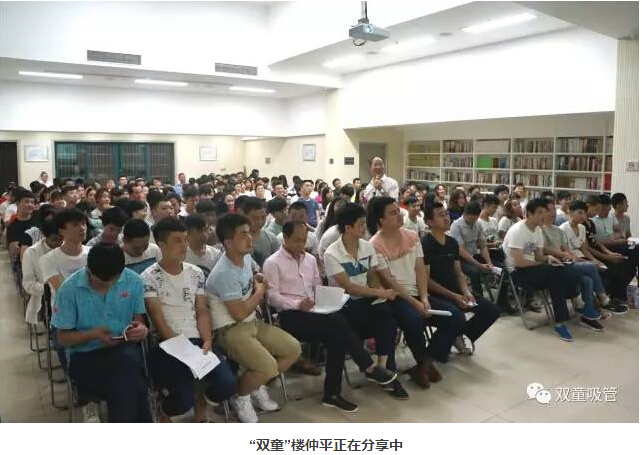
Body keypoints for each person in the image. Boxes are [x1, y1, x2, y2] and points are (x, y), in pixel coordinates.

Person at [263, 221, 397, 412]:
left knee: (338, 332)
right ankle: (367, 366)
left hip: (316, 311)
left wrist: (328, 299)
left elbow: (317, 286)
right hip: (290, 315)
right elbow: (272, 297)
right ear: (285, 238)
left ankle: (332, 394)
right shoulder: (273, 263)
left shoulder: (310, 259)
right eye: (297, 240)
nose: (301, 245)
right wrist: (297, 304)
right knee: (337, 324)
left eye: (304, 240)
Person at [206, 213, 301, 423]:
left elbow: (252, 277)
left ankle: (254, 386)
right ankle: (240, 397)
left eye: (249, 233)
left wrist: (257, 278)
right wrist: (259, 292)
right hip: (230, 329)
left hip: (252, 322)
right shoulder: (223, 273)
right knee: (267, 366)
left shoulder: (246, 257)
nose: (250, 238)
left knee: (293, 349)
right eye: (243, 235)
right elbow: (239, 313)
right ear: (228, 242)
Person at [142, 218, 237, 423]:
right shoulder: (149, 277)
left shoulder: (195, 273)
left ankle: (203, 403)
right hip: (168, 344)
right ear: (161, 245)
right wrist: (182, 349)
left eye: (185, 239)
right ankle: (165, 409)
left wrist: (207, 340)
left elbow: (201, 310)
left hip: (198, 340)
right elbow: (158, 317)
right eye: (177, 241)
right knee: (183, 400)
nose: (184, 245)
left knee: (227, 385)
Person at [51, 243, 152, 422]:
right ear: (88, 269)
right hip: (86, 355)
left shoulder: (134, 281)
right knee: (132, 383)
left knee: (127, 369)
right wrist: (92, 334)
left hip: (123, 348)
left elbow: (139, 322)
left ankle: (98, 406)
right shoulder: (69, 290)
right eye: (100, 282)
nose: (107, 286)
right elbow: (62, 338)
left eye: (113, 281)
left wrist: (142, 331)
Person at [323, 203, 404, 398]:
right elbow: (348, 287)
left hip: (366, 298)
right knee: (380, 315)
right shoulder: (332, 253)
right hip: (345, 303)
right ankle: (381, 372)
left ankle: (383, 368)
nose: (365, 228)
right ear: (348, 227)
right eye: (360, 224)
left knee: (387, 315)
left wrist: (379, 292)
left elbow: (372, 276)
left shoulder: (367, 247)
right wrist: (380, 293)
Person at [367, 197, 442, 389]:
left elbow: (420, 269)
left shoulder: (412, 235)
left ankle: (427, 361)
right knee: (414, 319)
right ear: (381, 220)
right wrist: (416, 303)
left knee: (454, 317)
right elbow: (389, 282)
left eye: (398, 211)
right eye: (393, 213)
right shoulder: (375, 244)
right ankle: (423, 362)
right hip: (396, 295)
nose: (400, 215)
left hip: (418, 292)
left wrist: (424, 297)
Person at [422, 202, 501, 359]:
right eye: (441, 215)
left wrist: (466, 291)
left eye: (446, 214)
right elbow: (427, 281)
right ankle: (432, 355)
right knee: (456, 314)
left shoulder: (452, 242)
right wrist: (454, 296)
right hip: (436, 294)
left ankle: (459, 334)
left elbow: (458, 272)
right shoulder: (426, 244)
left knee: (491, 310)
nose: (446, 218)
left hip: (456, 290)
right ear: (430, 222)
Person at [502, 198, 575, 341]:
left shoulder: (537, 230)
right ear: (529, 214)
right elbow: (519, 262)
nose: (544, 216)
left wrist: (548, 258)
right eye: (540, 212)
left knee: (560, 269)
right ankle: (568, 308)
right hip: (515, 271)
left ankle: (561, 322)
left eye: (545, 212)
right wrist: (543, 264)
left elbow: (539, 256)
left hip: (531, 268)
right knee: (557, 273)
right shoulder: (518, 230)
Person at [541, 200, 610, 331]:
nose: (553, 213)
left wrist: (570, 257)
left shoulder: (558, 230)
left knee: (588, 279)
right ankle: (602, 295)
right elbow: (544, 250)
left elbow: (567, 250)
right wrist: (567, 256)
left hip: (566, 262)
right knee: (590, 267)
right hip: (553, 265)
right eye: (549, 210)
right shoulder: (541, 230)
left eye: (554, 209)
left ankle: (587, 314)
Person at [581, 196, 633, 313]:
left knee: (625, 265)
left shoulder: (590, 222)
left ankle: (614, 295)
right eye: (596, 210)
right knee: (615, 268)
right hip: (591, 254)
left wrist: (610, 253)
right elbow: (587, 248)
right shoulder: (583, 224)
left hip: (598, 252)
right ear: (588, 207)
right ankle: (605, 297)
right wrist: (607, 257)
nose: (596, 213)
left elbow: (597, 243)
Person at [22, 210, 63, 324]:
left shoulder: (68, 246)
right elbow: (28, 284)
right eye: (54, 239)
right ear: (45, 236)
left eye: (61, 238)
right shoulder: (31, 253)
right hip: (45, 296)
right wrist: (50, 289)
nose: (59, 243)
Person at [40, 209, 91, 293]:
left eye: (83, 223)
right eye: (75, 225)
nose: (82, 228)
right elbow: (62, 291)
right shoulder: (48, 259)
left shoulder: (93, 253)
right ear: (62, 231)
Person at [449, 201, 494, 297]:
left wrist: (489, 262)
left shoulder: (478, 224)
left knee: (499, 266)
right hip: (460, 258)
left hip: (474, 254)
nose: (474, 221)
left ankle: (501, 299)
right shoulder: (456, 226)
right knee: (475, 272)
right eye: (472, 218)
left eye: (476, 218)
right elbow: (460, 250)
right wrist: (479, 265)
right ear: (465, 214)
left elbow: (483, 246)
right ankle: (479, 297)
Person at [240, 197, 280, 268]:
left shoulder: (271, 239)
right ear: (244, 216)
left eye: (263, 218)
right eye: (255, 218)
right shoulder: (235, 240)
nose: (260, 222)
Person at [5, 187, 36, 259]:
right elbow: (14, 249)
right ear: (18, 203)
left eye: (32, 202)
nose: (30, 205)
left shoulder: (38, 222)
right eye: (27, 202)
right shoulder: (12, 225)